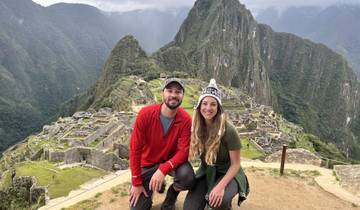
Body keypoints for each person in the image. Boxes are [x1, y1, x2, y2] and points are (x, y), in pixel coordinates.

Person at [129, 78, 195, 210]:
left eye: (178, 92)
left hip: (169, 162)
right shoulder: (145, 115)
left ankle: (171, 195)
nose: (174, 95)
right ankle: (148, 188)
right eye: (169, 91)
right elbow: (135, 149)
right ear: (162, 93)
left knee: (187, 177)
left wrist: (163, 169)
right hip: (147, 164)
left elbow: (183, 152)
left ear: (182, 95)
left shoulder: (185, 119)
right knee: (138, 208)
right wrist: (136, 182)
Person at [184, 79, 249, 210]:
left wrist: (220, 187)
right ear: (199, 106)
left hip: (229, 173)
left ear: (218, 108)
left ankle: (225, 202)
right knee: (189, 208)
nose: (208, 108)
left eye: (213, 104)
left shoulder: (228, 130)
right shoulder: (196, 128)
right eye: (205, 103)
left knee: (216, 203)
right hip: (207, 171)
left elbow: (236, 164)